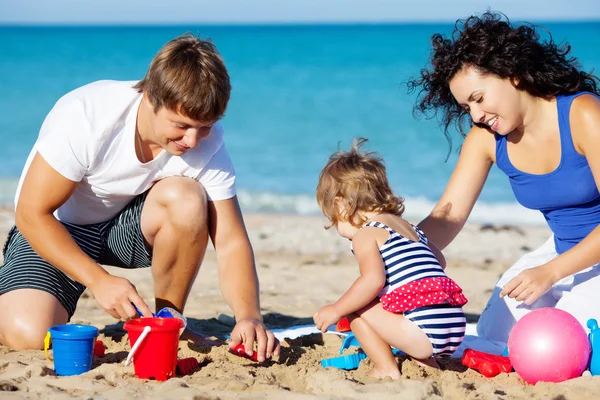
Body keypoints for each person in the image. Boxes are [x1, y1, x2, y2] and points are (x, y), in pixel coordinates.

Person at [0, 33, 280, 362]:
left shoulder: (206, 140)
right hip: (55, 229)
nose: (193, 140)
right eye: (182, 125)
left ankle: (168, 321)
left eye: (204, 126)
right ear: (149, 97)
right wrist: (99, 280)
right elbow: (32, 214)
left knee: (186, 198)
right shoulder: (86, 116)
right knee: (27, 334)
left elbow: (231, 240)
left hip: (123, 228)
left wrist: (249, 316)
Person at [408, 11, 600, 344]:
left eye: (478, 99)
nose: (477, 115)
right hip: (559, 251)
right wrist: (395, 252)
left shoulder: (583, 114)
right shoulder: (486, 138)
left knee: (564, 342)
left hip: (579, 258)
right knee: (496, 335)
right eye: (466, 107)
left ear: (512, 74)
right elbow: (447, 218)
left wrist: (551, 273)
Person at [312, 138, 467, 379]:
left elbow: (372, 281)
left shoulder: (366, 234)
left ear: (340, 205)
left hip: (425, 332)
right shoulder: (411, 228)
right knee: (398, 303)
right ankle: (429, 365)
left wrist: (336, 309)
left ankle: (385, 368)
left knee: (357, 308)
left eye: (333, 218)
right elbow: (440, 262)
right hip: (454, 328)